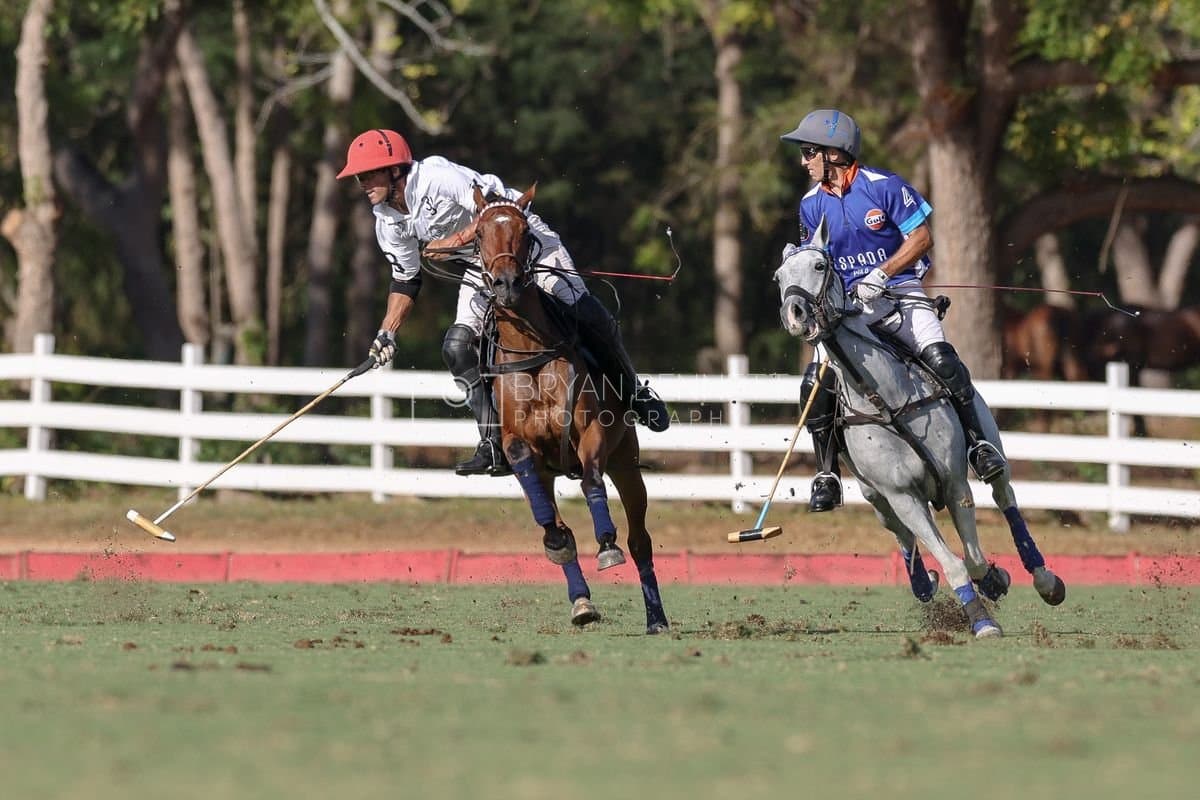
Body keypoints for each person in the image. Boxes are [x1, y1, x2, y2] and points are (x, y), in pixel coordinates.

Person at [336, 129, 669, 477]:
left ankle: (634, 393)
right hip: (481, 267)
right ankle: (493, 442)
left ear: (394, 170)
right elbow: (406, 279)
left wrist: (451, 241)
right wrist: (387, 332)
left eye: (369, 173)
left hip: (524, 242)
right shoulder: (386, 221)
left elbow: (497, 208)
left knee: (584, 311)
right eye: (359, 176)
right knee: (456, 346)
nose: (362, 182)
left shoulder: (437, 177)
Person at [779, 108, 1006, 512]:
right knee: (816, 381)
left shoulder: (884, 187)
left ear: (835, 153)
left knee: (942, 359)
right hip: (848, 309)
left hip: (899, 291)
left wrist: (882, 274)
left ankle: (979, 446)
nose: (803, 161)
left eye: (809, 151)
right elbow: (815, 256)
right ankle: (827, 473)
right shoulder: (810, 204)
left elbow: (921, 238)